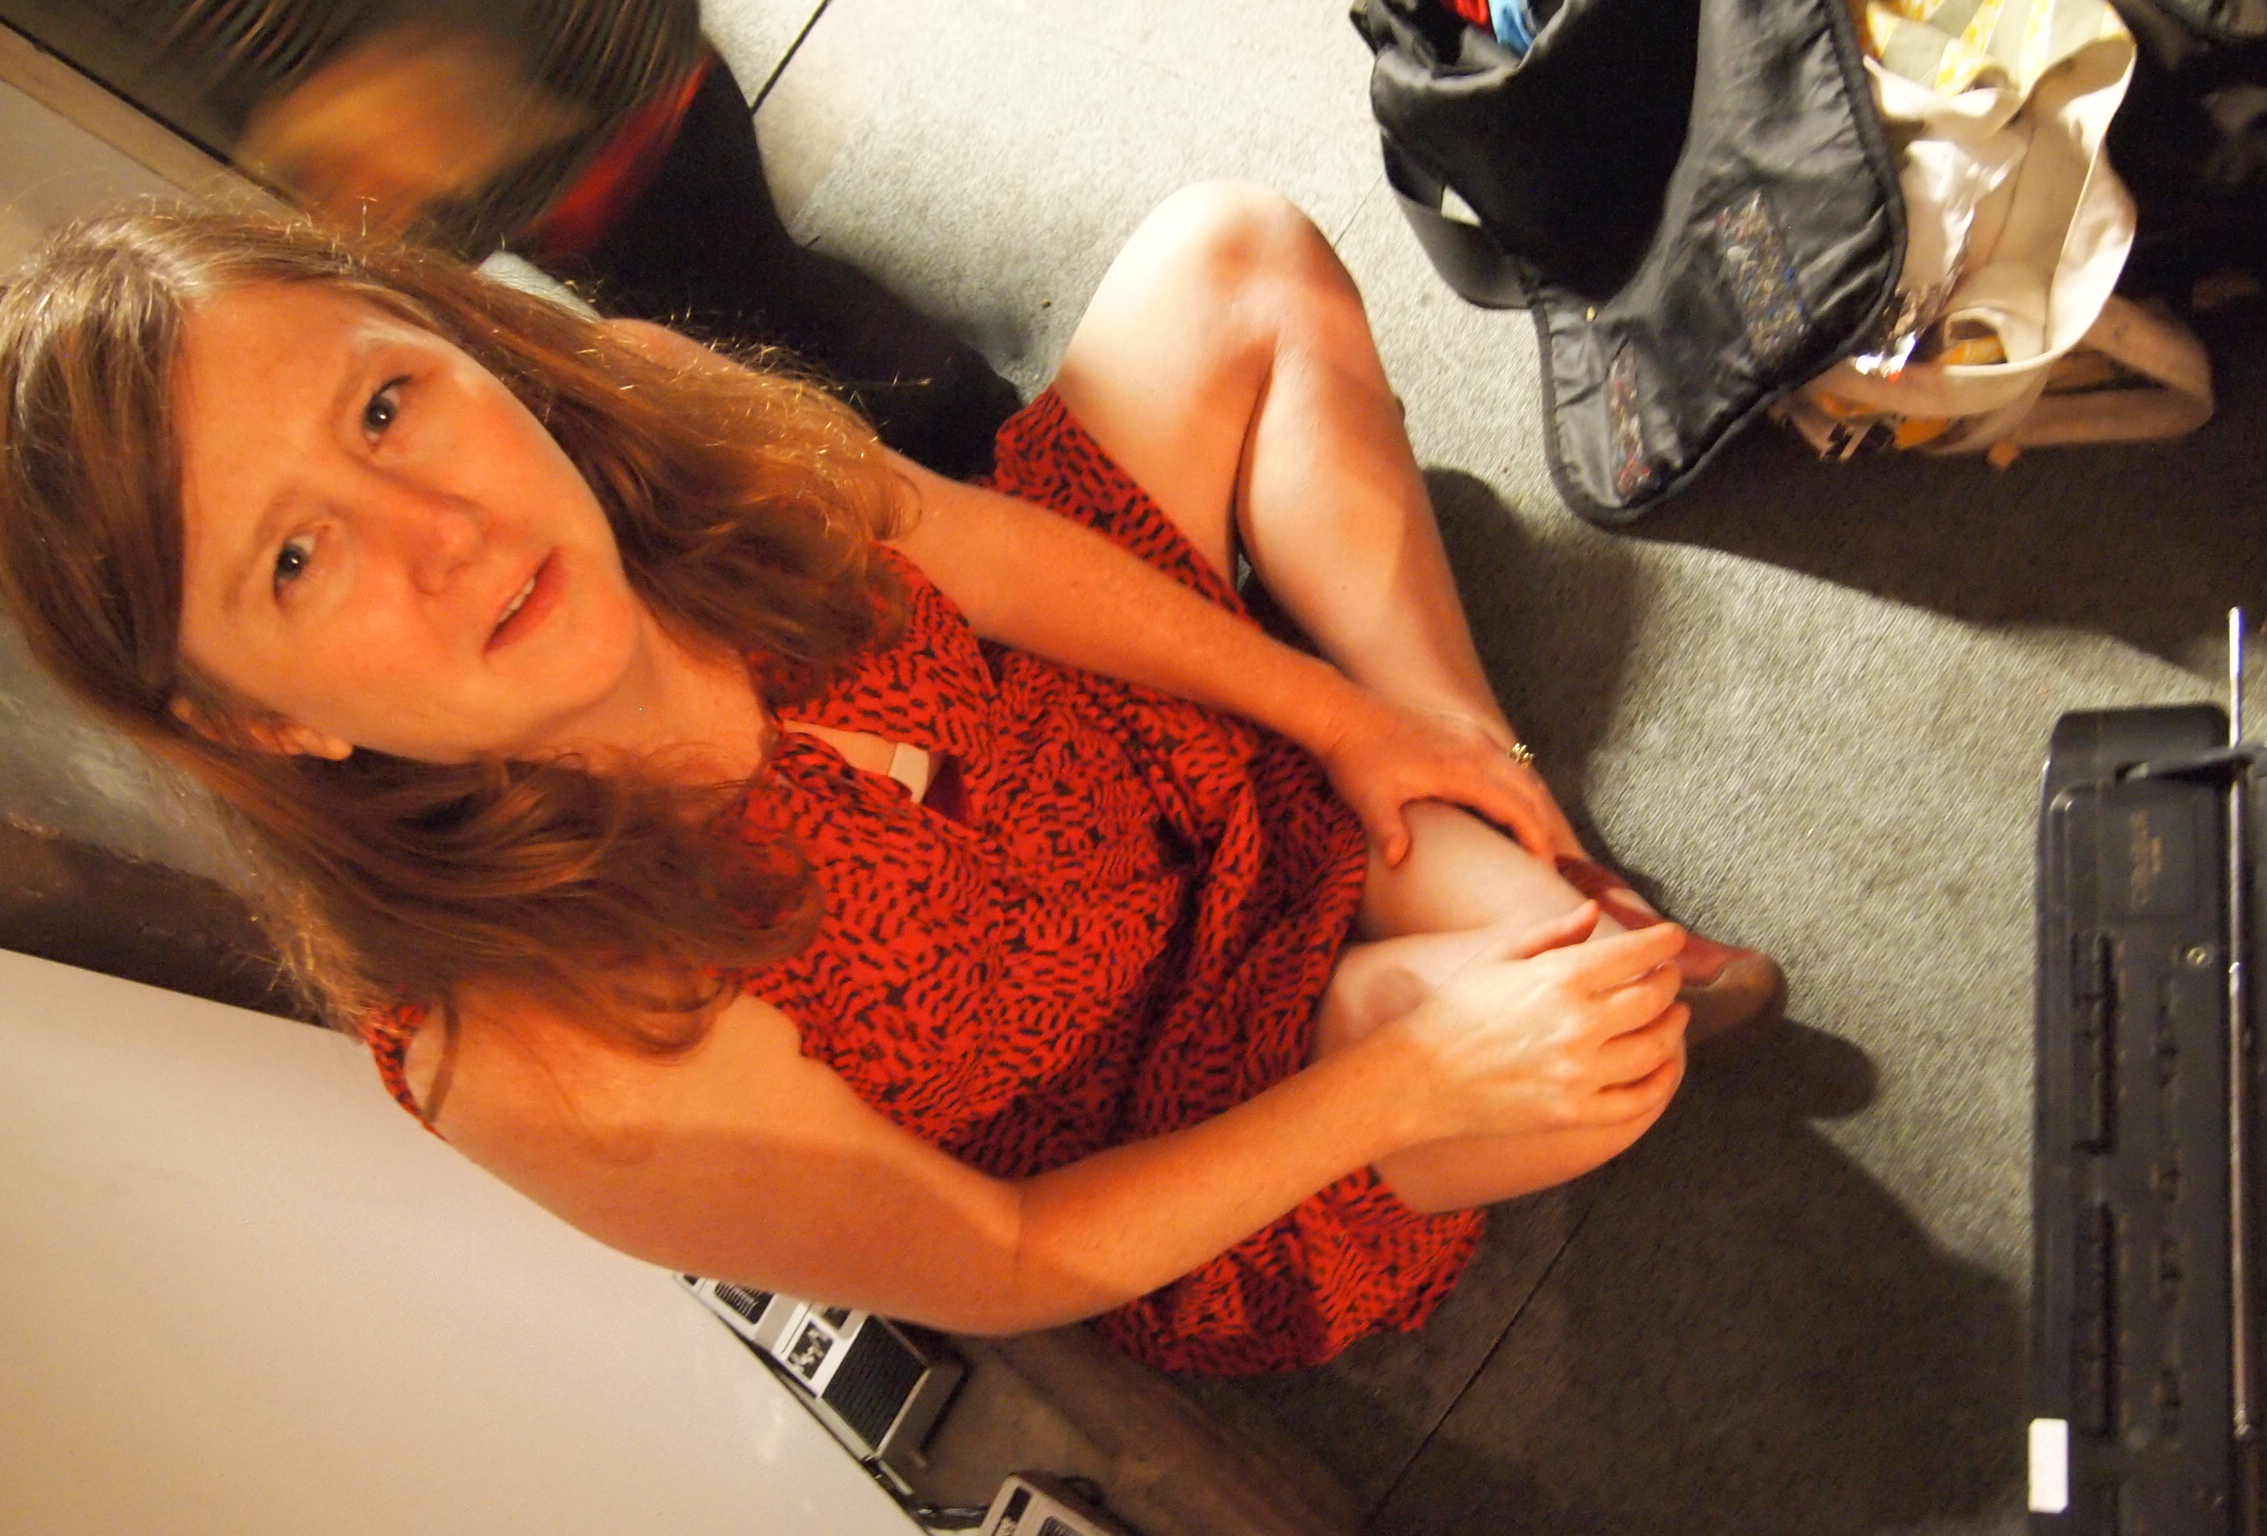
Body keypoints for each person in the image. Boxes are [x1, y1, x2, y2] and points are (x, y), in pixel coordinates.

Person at [0, 183, 1783, 1374]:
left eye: (387, 407)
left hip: (1097, 743)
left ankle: (1453, 757)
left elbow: (973, 548)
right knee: (1593, 1057)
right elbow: (1008, 1259)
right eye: (295, 560)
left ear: (450, 343)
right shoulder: (524, 1037)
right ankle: (1450, 908)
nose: (442, 530)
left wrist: (1342, 717)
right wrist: (1400, 1084)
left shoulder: (630, 404)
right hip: (1177, 1098)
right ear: (263, 724)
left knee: (1231, 252)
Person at [0, 0, 1021, 475]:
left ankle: (997, 445)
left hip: (573, 79)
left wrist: (426, 63)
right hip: (493, 167)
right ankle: (944, 423)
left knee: (772, 317)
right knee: (728, 314)